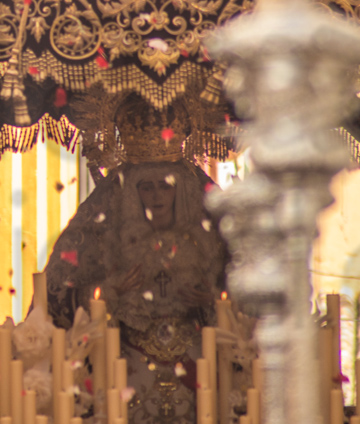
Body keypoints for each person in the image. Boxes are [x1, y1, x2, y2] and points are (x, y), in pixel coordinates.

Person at [43, 149, 228, 424]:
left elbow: (244, 294)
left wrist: (214, 301)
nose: (156, 196)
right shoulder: (110, 242)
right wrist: (105, 293)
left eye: (165, 186)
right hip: (127, 365)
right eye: (147, 187)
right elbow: (58, 292)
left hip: (196, 364)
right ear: (133, 193)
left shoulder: (206, 240)